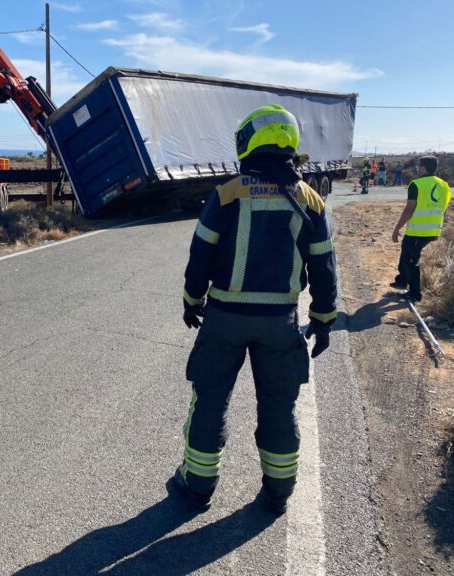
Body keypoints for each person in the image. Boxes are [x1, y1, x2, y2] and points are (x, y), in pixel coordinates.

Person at [174, 104, 338, 515]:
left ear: (248, 142)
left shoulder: (227, 193)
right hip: (280, 324)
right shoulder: (310, 199)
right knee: (279, 407)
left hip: (224, 319)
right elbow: (323, 263)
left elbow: (201, 255)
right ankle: (278, 493)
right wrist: (323, 318)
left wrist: (192, 300)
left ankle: (197, 486)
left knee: (210, 401)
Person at [390, 155, 451, 302]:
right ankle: (402, 280)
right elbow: (444, 209)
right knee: (407, 252)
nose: (417, 168)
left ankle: (415, 293)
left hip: (418, 230)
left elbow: (409, 209)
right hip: (433, 229)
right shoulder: (444, 185)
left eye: (419, 166)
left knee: (411, 259)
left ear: (423, 167)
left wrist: (397, 228)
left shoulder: (416, 184)